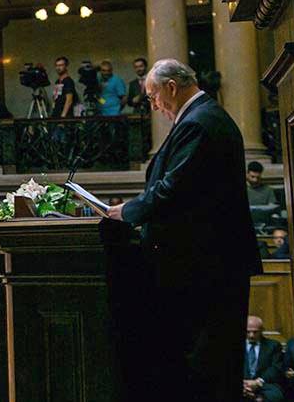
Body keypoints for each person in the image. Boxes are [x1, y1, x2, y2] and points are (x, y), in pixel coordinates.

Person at [106, 59, 260, 402]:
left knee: (205, 366)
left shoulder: (200, 123)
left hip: (204, 267)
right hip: (207, 264)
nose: (153, 105)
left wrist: (125, 211)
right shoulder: (202, 117)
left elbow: (173, 189)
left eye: (152, 96)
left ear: (171, 88)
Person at [243, 315, 287, 402]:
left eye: (255, 332)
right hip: (243, 383)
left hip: (265, 384)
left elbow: (276, 368)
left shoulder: (273, 345)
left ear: (262, 330)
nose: (251, 335)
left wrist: (258, 382)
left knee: (275, 395)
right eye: (248, 332)